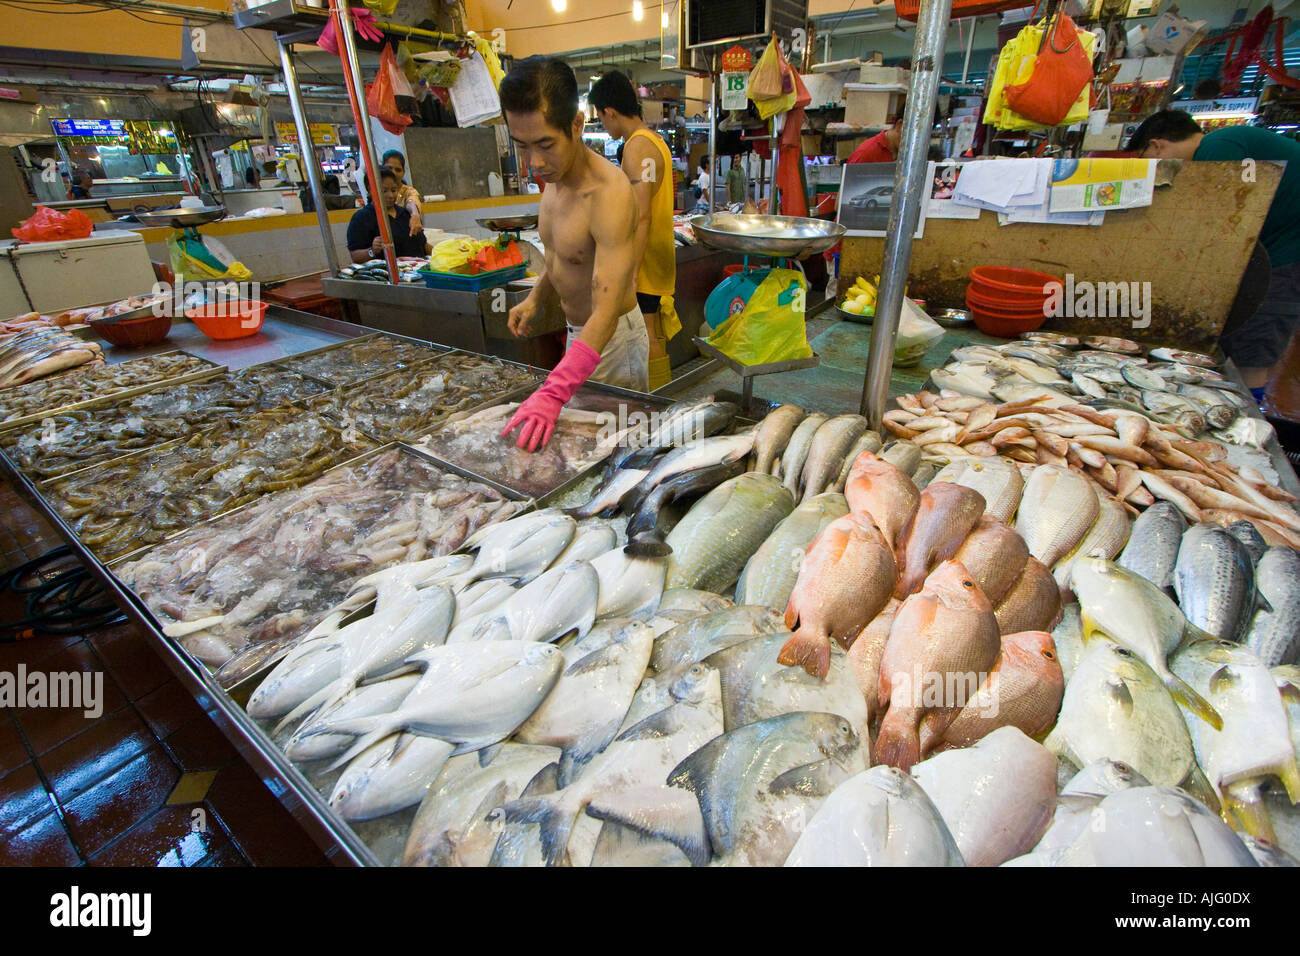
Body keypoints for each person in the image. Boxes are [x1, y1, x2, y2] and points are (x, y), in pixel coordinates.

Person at [498, 57, 648, 451]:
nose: (535, 162)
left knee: (616, 451)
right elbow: (565, 255)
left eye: (546, 144)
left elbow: (608, 308)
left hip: (612, 340)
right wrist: (535, 298)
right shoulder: (554, 181)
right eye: (523, 146)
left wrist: (553, 392)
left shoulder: (608, 193)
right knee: (582, 450)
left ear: (577, 125)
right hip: (579, 337)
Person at [1128, 109, 1300, 393]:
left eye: (1147, 160)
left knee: (1253, 351)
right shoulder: (1227, 143)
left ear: (1156, 145)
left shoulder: (1216, 149)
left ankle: (1245, 430)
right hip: (1275, 248)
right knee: (1244, 342)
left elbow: (1213, 229)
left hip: (1286, 256)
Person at [589, 69, 676, 389]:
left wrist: (633, 269)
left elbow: (640, 216)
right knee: (652, 331)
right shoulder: (655, 141)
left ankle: (654, 405)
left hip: (645, 256)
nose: (603, 126)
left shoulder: (637, 148)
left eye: (601, 118)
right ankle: (660, 400)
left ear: (609, 111)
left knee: (647, 332)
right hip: (657, 252)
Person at [345, 166, 431, 263]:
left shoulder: (405, 214)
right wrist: (372, 251)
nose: (390, 195)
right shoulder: (362, 218)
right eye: (384, 191)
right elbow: (355, 256)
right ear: (370, 189)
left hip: (418, 271)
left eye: (394, 190)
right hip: (390, 275)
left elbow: (423, 245)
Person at [381, 150, 426, 239]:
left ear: (403, 172)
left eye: (398, 170)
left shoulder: (407, 191)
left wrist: (414, 214)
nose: (393, 173)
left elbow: (412, 200)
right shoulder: (375, 192)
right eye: (389, 168)